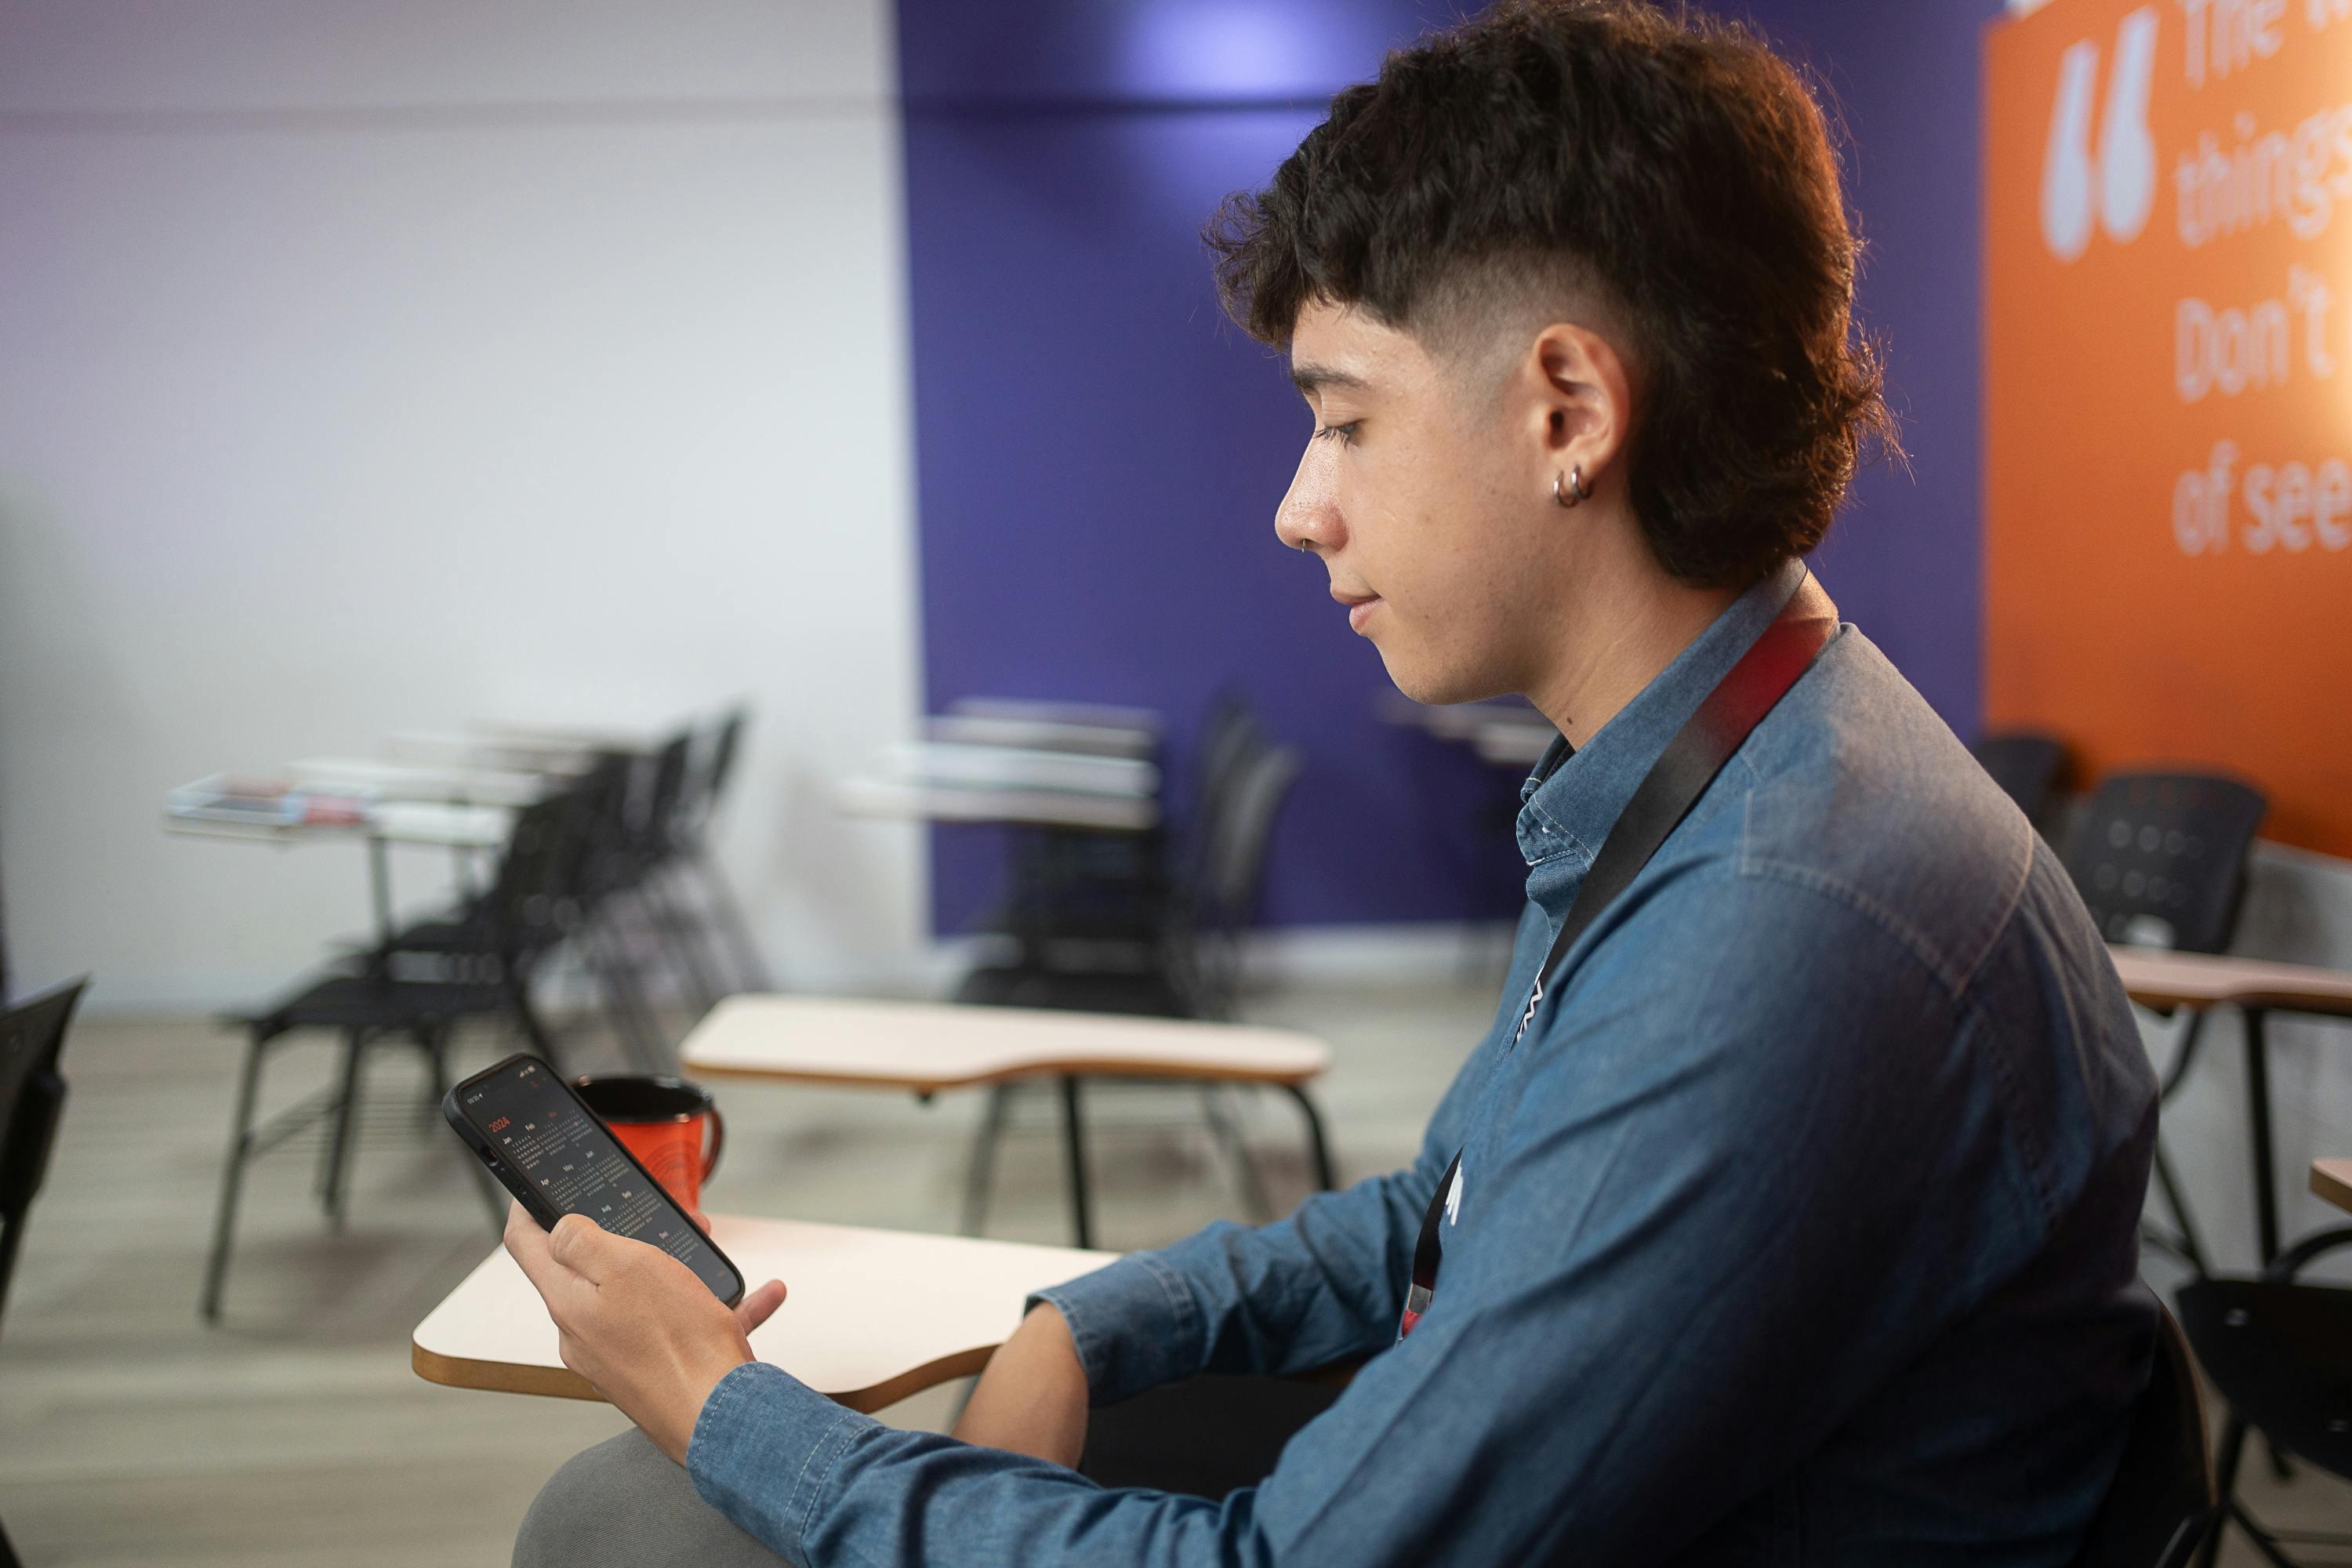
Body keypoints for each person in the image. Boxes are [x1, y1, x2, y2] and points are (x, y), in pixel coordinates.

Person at [506, 2, 2158, 1563]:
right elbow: (1431, 1218)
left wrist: (726, 1406)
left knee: (630, 1515)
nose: (1303, 507)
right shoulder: (1716, 765)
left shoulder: (1780, 918)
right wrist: (1095, 1318)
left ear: (1567, 410)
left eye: (1346, 421)